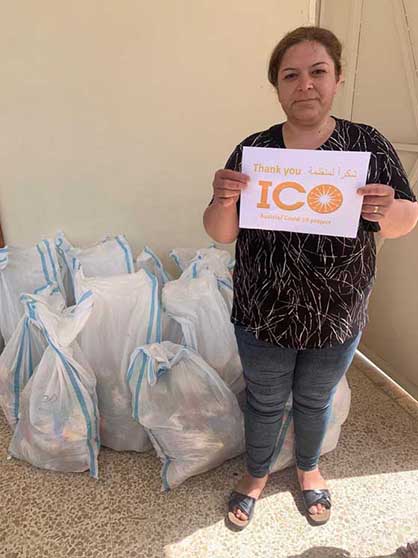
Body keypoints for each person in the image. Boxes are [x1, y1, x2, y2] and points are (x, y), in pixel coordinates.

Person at [203, 26, 418, 530]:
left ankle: (308, 468)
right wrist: (223, 199)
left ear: (337, 79)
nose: (305, 85)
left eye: (318, 72)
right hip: (262, 311)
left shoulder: (366, 144)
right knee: (264, 400)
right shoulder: (254, 150)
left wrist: (387, 210)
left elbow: (405, 221)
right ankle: (256, 474)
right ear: (276, 87)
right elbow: (220, 231)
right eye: (290, 75)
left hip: (337, 313)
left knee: (315, 400)